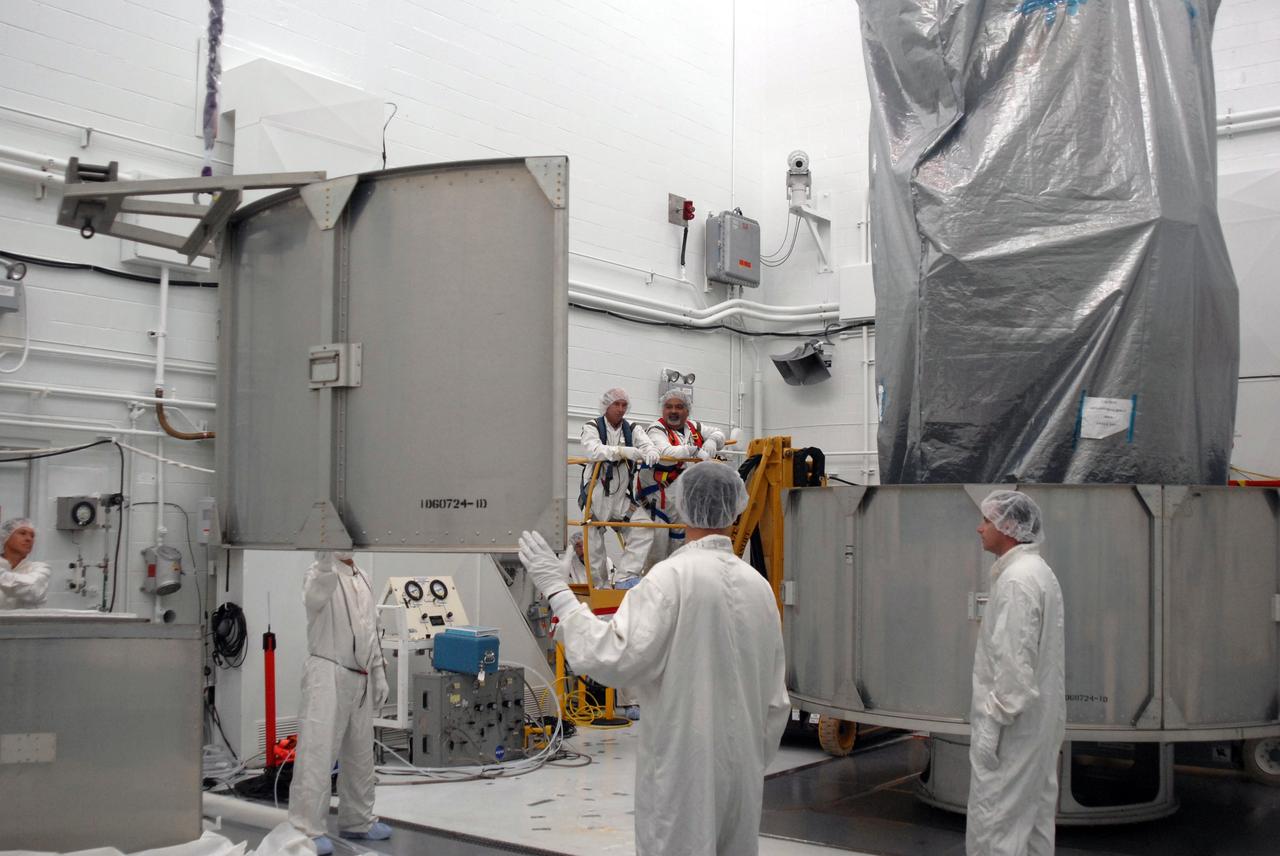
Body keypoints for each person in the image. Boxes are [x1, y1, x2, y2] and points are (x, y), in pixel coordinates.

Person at [519, 461, 790, 856]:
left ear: (680, 505)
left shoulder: (671, 578)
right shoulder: (758, 587)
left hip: (684, 770)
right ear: (735, 509)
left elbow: (613, 656)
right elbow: (775, 699)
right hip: (744, 771)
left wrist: (556, 591)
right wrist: (748, 759)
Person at [968, 491, 1065, 856]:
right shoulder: (1039, 573)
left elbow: (1014, 666)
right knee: (1034, 825)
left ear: (1008, 527)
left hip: (1013, 733)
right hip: (1036, 729)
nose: (979, 529)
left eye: (987, 521)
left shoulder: (1016, 583)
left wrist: (992, 727)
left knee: (997, 829)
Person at [288, 551, 392, 855]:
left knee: (361, 755)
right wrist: (322, 565)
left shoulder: (364, 578)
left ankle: (359, 820)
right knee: (318, 753)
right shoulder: (319, 573)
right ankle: (306, 828)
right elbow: (313, 599)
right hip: (327, 671)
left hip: (359, 676)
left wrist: (378, 671)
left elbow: (370, 629)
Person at [578, 387, 660, 588]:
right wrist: (623, 451)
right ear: (606, 405)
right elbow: (594, 451)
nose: (621, 409)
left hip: (620, 497)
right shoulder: (593, 427)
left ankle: (625, 575)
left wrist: (650, 452)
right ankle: (600, 586)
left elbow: (648, 445)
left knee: (644, 526)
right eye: (617, 404)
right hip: (596, 495)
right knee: (594, 543)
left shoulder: (632, 428)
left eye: (624, 405)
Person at [634, 388, 727, 564]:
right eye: (669, 407)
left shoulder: (694, 427)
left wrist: (712, 440)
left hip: (685, 504)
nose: (673, 411)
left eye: (679, 407)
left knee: (683, 550)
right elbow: (666, 452)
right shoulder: (656, 429)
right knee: (657, 552)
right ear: (663, 410)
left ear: (687, 411)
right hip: (658, 503)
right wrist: (694, 450)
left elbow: (719, 433)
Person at [0, 518, 50, 610]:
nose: (29, 539)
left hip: (24, 624)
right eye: (22, 533)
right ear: (5, 537)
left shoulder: (40, 568)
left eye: (32, 536)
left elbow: (33, 589)